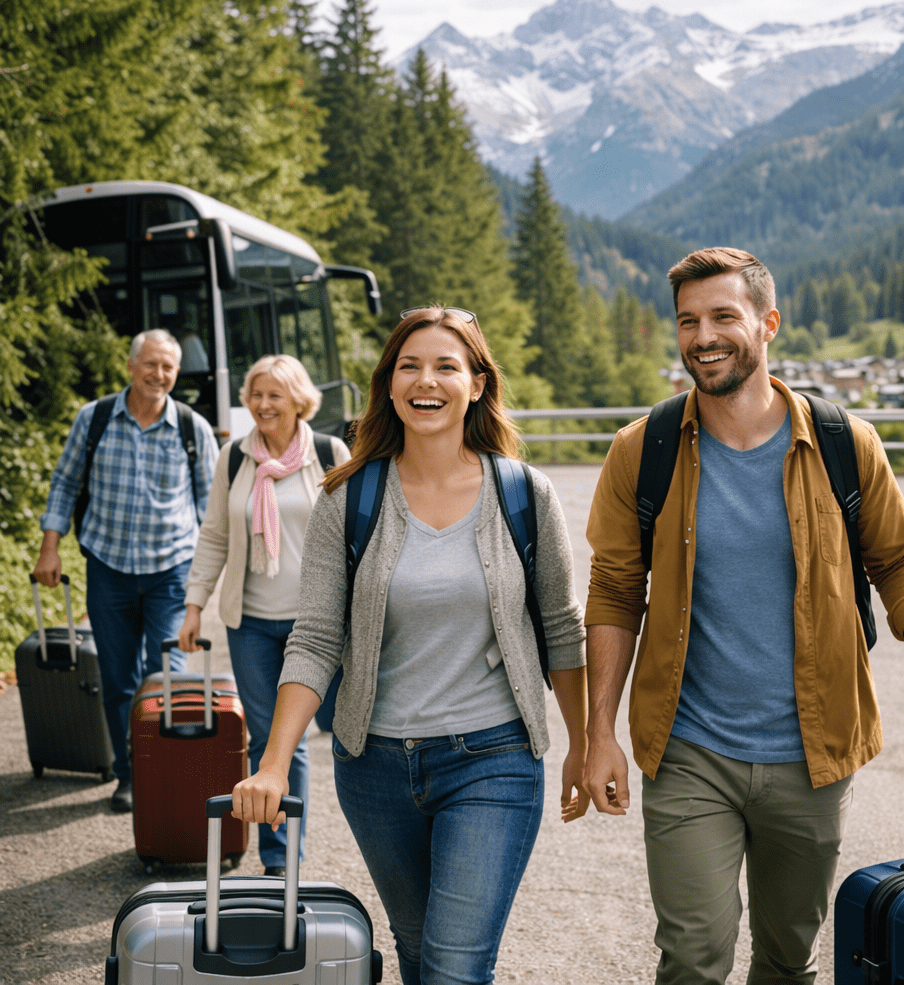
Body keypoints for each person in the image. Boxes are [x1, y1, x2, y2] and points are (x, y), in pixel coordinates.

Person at [582, 247, 904, 985]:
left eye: (723, 316)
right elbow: (612, 590)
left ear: (767, 323)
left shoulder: (842, 442)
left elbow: (898, 560)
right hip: (689, 750)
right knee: (694, 957)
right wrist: (596, 731)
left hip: (813, 753)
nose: (704, 336)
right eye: (688, 321)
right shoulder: (645, 449)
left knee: (788, 959)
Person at [232, 306, 589, 984]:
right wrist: (274, 764)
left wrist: (587, 739)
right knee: (420, 954)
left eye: (447, 366)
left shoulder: (523, 493)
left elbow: (562, 628)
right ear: (390, 386)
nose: (427, 380)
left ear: (477, 384)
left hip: (493, 758)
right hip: (375, 768)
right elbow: (313, 639)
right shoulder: (350, 498)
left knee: (454, 969)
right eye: (410, 365)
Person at [178, 354, 349, 876]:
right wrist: (194, 605)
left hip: (319, 626)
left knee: (348, 734)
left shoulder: (328, 452)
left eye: (275, 395)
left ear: (300, 400)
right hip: (250, 622)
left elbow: (356, 536)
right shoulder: (234, 457)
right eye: (255, 394)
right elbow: (212, 536)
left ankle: (381, 827)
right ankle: (281, 863)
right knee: (276, 741)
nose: (263, 404)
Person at [34, 329, 218, 813]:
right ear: (132, 366)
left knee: (167, 676)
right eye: (152, 364)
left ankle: (168, 771)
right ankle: (129, 774)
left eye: (169, 368)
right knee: (117, 679)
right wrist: (49, 547)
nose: (160, 375)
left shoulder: (191, 426)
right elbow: (66, 481)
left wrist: (206, 577)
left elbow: (210, 506)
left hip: (171, 569)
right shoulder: (93, 419)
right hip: (108, 565)